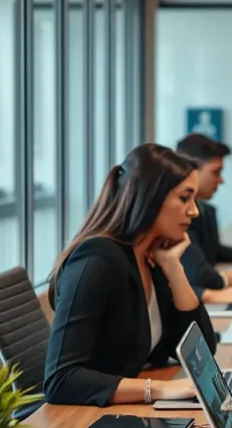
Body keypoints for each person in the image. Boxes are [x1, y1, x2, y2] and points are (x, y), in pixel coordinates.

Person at [44, 144, 217, 406]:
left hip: (124, 412)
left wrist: (173, 267)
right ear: (150, 196)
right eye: (184, 198)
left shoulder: (149, 256)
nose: (194, 210)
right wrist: (159, 390)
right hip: (84, 421)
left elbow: (202, 353)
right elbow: (61, 380)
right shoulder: (97, 259)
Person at [175, 134, 232, 305]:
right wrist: (223, 280)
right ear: (190, 171)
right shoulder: (176, 218)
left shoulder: (206, 210)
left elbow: (211, 251)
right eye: (215, 172)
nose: (221, 180)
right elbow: (198, 275)